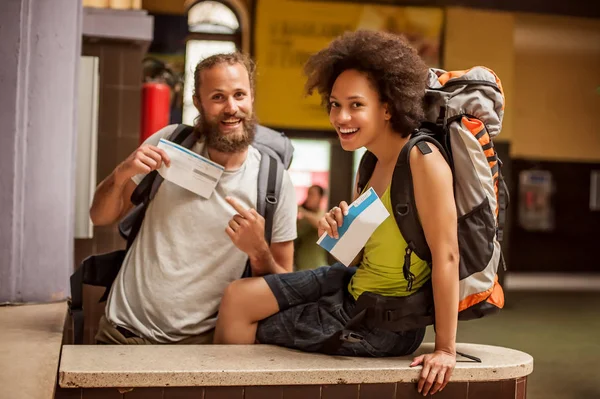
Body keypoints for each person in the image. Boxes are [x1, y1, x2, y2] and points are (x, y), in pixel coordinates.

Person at [214, 31, 459, 396]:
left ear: (387, 107)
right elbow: (359, 255)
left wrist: (444, 349)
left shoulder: (423, 160)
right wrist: (339, 231)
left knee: (244, 322)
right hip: (350, 284)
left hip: (383, 320)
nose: (340, 116)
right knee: (237, 297)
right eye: (334, 104)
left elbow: (448, 255)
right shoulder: (370, 161)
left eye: (356, 105)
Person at [89, 52, 298, 345]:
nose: (232, 108)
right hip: (122, 334)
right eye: (218, 97)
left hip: (198, 350)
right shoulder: (170, 143)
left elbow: (284, 286)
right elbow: (100, 217)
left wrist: (258, 250)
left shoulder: (275, 182)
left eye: (240, 94)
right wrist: (123, 172)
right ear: (199, 103)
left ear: (251, 98)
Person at [295, 184, 329, 270]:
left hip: (316, 266)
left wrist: (302, 211)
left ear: (320, 197)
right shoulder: (302, 218)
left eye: (312, 194)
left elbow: (319, 223)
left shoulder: (323, 214)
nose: (309, 197)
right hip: (300, 267)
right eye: (308, 194)